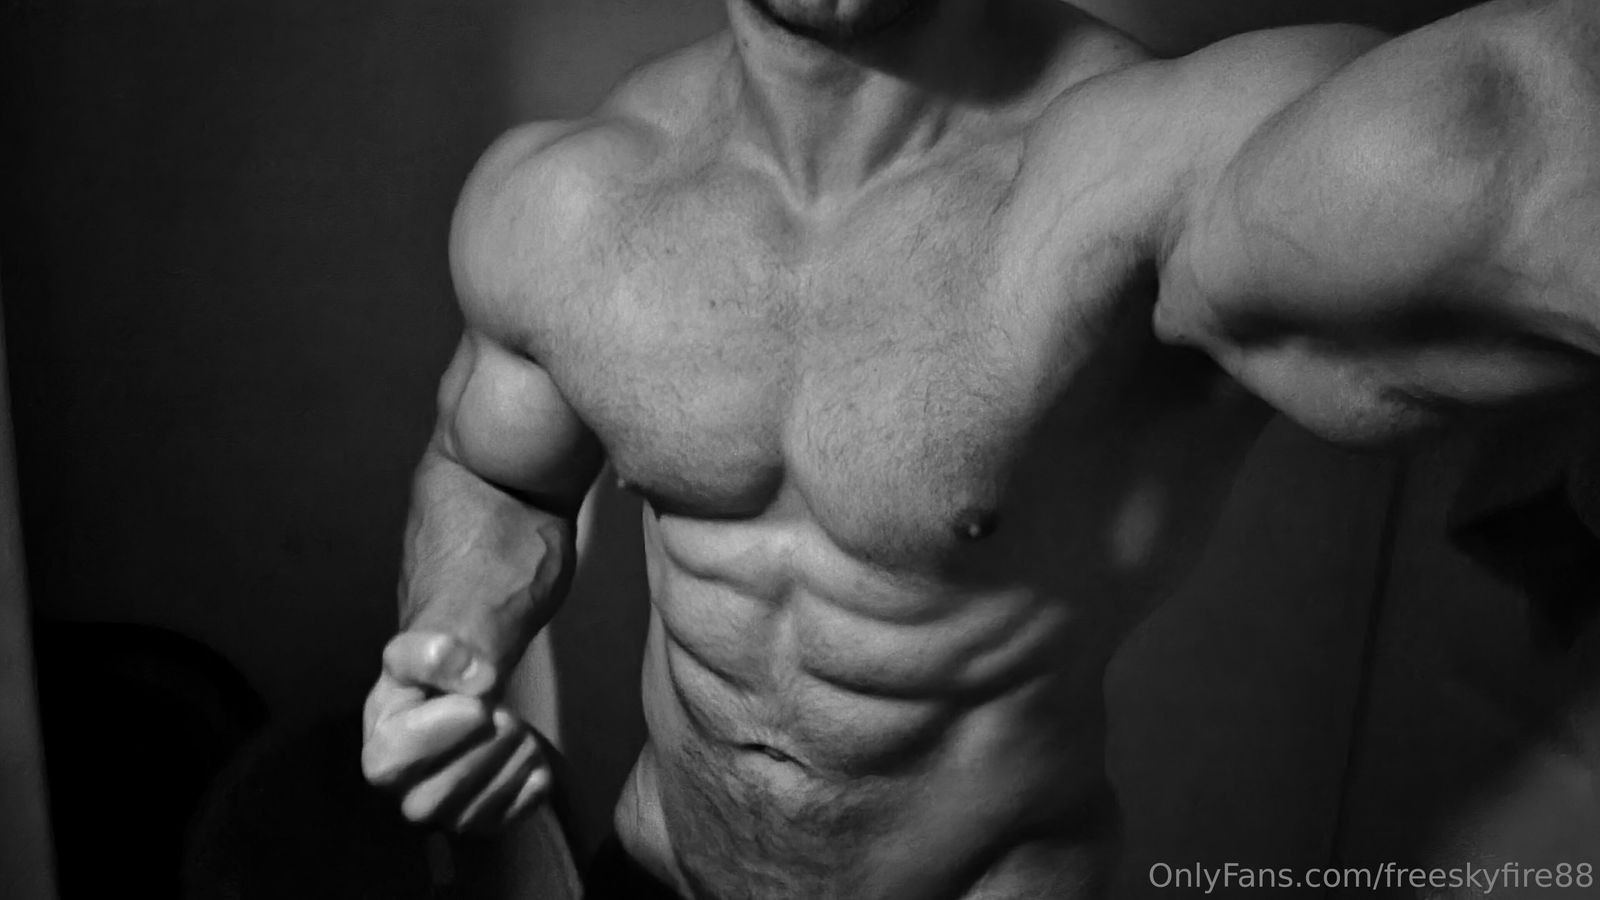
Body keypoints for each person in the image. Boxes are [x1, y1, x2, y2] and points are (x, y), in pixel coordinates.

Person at [359, 0, 1600, 896]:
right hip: (652, 873)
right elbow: (492, 473)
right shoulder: (567, 201)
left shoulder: (1147, 170)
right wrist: (452, 646)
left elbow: (1503, 143)